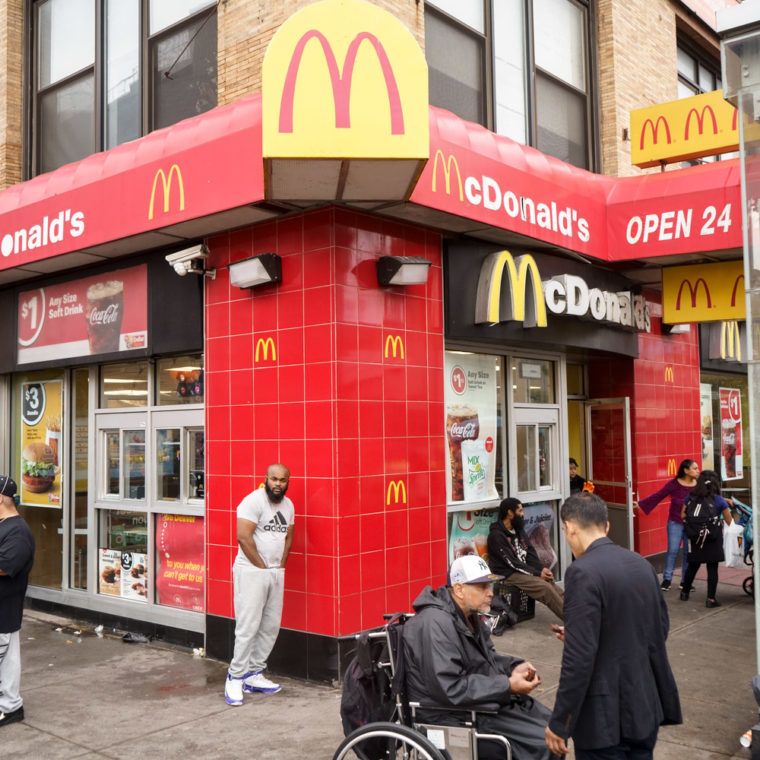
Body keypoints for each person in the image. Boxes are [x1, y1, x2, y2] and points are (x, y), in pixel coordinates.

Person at [545, 492, 682, 759]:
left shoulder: (581, 572)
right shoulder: (641, 564)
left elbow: (579, 658)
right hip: (644, 708)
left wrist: (560, 721)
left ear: (568, 528)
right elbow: (658, 628)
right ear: (606, 526)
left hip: (604, 721)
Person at [403, 554, 553, 760]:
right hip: (449, 715)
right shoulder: (435, 624)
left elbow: (488, 658)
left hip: (475, 703)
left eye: (490, 586)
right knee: (542, 743)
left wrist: (513, 668)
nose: (491, 593)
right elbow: (450, 688)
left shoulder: (468, 616)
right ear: (459, 589)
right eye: (482, 587)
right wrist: (507, 685)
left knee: (553, 727)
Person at [225, 463, 294, 705]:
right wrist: (262, 568)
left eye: (282, 480)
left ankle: (253, 674)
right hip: (251, 571)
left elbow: (288, 538)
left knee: (270, 625)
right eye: (273, 479)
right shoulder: (252, 501)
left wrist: (280, 567)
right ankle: (235, 676)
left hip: (275, 572)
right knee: (248, 626)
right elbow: (243, 537)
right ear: (266, 478)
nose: (277, 483)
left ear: (288, 481)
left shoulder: (288, 506)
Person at [487, 497, 564, 621]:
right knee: (544, 588)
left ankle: (578, 614)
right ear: (510, 513)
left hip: (522, 570)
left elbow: (530, 552)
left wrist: (541, 569)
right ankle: (574, 622)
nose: (522, 514)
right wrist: (537, 573)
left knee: (550, 583)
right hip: (508, 574)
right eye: (520, 511)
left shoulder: (518, 530)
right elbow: (513, 564)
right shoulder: (496, 536)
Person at [0, 476, 35, 728]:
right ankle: (10, 705)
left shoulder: (19, 532)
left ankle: (10, 707)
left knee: (5, 658)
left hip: (4, 608)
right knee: (7, 659)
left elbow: (6, 566)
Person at [635, 458, 699, 591]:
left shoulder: (699, 485)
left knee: (689, 552)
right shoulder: (674, 484)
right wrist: (641, 504)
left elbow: (710, 498)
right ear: (686, 470)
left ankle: (685, 581)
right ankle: (667, 579)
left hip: (692, 524)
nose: (698, 471)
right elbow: (659, 495)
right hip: (675, 523)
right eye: (695, 468)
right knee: (673, 551)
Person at [679, 469, 733, 608]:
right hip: (712, 538)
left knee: (693, 565)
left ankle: (684, 592)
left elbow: (683, 516)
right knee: (712, 568)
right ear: (716, 483)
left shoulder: (690, 497)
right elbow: (729, 521)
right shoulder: (719, 500)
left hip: (694, 536)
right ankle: (711, 599)